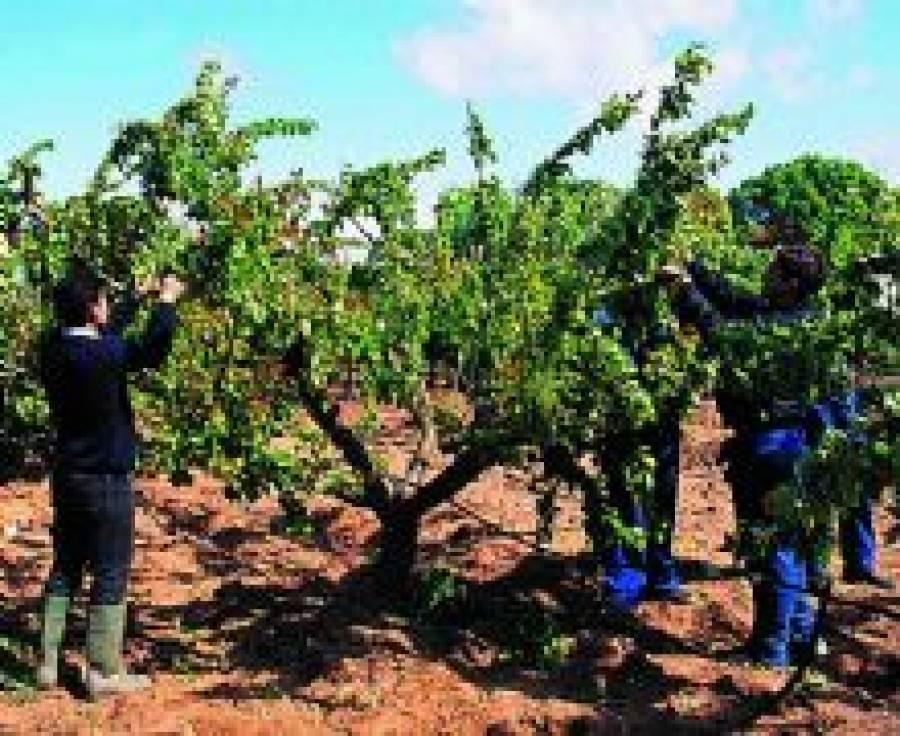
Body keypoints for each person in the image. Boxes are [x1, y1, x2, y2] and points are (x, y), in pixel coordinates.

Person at [663, 237, 830, 667]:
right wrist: (693, 267)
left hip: (774, 443)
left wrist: (685, 294)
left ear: (791, 284)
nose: (765, 276)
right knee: (783, 543)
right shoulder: (792, 316)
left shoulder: (788, 328)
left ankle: (771, 652)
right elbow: (736, 300)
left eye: (774, 270)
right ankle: (798, 640)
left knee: (772, 545)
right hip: (784, 442)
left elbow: (727, 336)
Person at [36, 260, 183, 699]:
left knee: (65, 566)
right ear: (92, 310)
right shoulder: (105, 356)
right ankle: (102, 673)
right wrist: (167, 304)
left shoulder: (54, 347)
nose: (106, 308)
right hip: (105, 480)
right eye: (102, 301)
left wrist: (135, 299)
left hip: (68, 476)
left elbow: (106, 334)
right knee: (111, 570)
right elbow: (150, 351)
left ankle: (47, 663)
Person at [591, 300, 688, 609]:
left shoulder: (667, 307)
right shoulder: (608, 310)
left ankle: (656, 572)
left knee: (659, 493)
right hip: (623, 419)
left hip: (660, 415)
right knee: (626, 495)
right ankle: (629, 582)